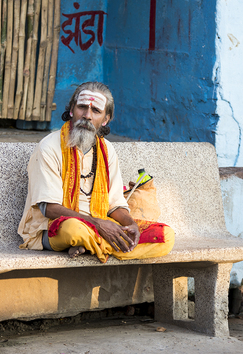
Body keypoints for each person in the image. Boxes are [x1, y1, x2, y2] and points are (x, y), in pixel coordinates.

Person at [17, 81, 175, 263]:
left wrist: (130, 224)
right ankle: (99, 243)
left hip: (101, 224)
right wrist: (98, 224)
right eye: (82, 107)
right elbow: (49, 208)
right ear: (71, 110)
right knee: (74, 231)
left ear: (105, 119)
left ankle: (91, 245)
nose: (87, 116)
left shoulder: (107, 150)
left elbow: (115, 205)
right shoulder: (49, 147)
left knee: (165, 236)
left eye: (96, 111)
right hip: (55, 226)